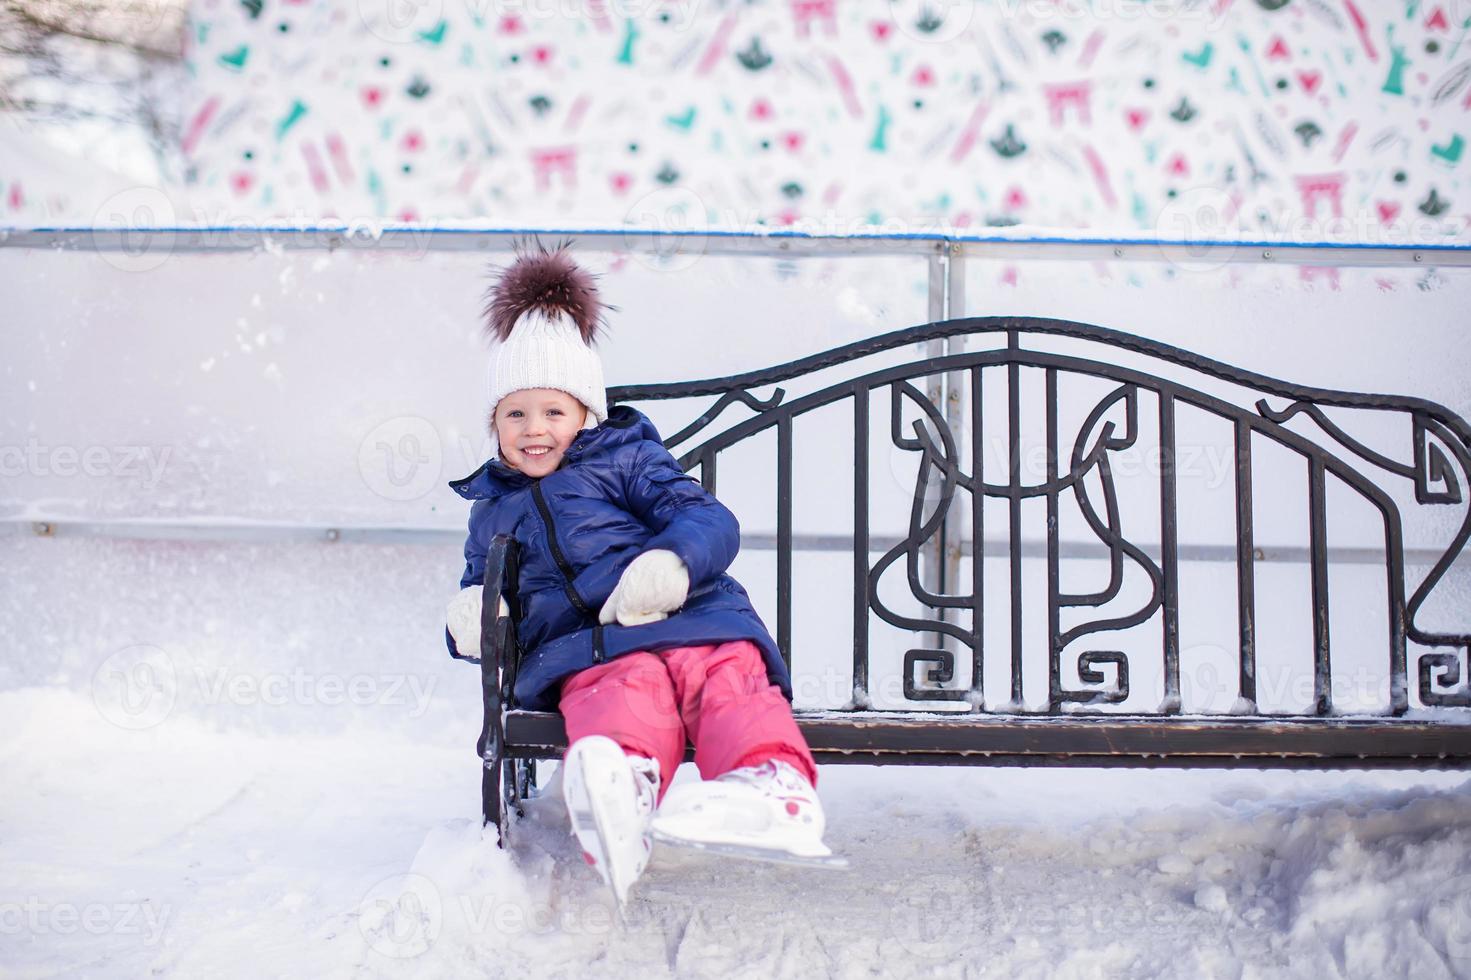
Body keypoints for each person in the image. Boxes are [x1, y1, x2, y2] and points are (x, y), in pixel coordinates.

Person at [443, 241, 831, 906]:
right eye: (515, 414)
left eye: (553, 412)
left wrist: (671, 562)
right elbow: (481, 589)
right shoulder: (491, 510)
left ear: (585, 415)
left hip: (694, 616)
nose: (534, 430)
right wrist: (471, 616)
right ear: (494, 422)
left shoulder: (625, 459)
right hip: (592, 649)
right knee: (621, 692)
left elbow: (706, 517)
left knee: (724, 680)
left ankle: (771, 784)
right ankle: (619, 788)